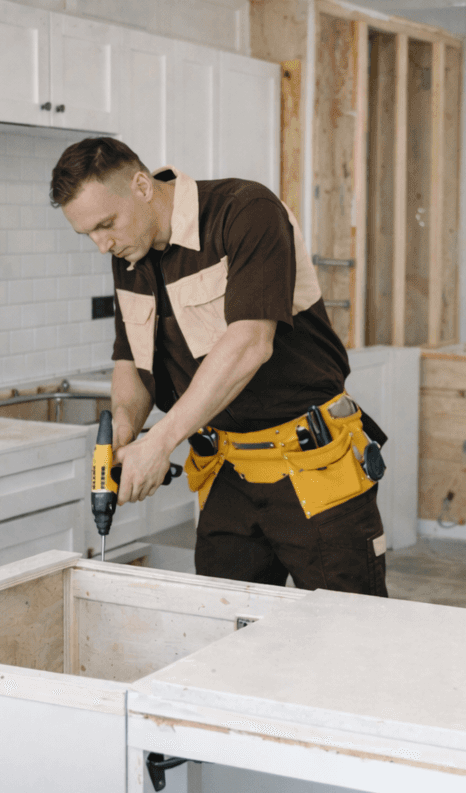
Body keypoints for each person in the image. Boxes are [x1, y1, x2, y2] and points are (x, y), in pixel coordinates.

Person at [50, 137, 389, 595]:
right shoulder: (129, 253)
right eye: (88, 233)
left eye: (106, 224)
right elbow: (131, 357)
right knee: (223, 637)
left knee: (345, 639)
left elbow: (250, 343)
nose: (100, 244)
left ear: (142, 186)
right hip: (227, 475)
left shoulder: (245, 211)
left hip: (313, 465)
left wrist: (161, 441)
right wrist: (127, 430)